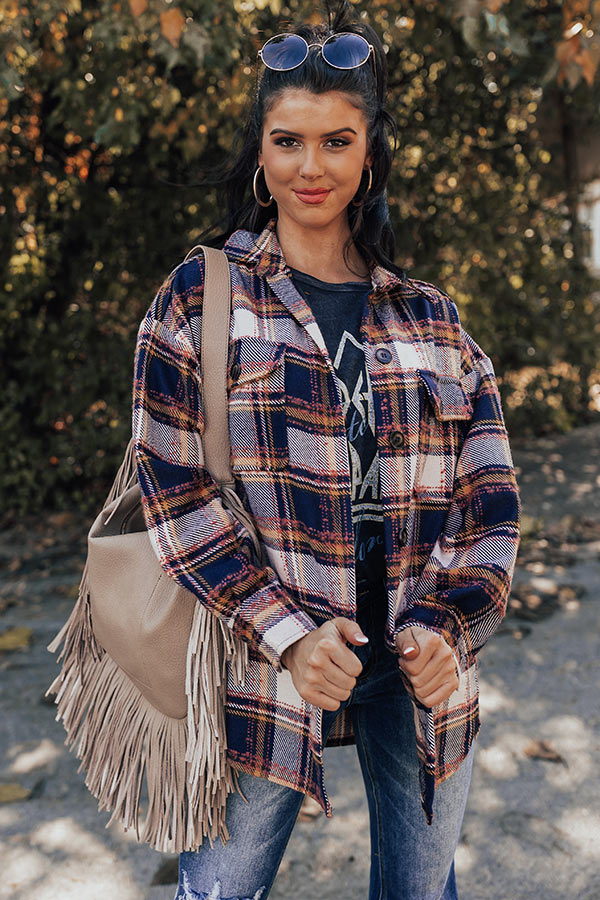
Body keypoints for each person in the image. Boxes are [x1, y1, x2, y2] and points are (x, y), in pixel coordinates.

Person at [132, 2, 521, 898]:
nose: (313, 166)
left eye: (337, 141)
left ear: (370, 154)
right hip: (267, 665)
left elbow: (490, 496)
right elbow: (176, 495)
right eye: (289, 141)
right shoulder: (200, 300)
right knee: (220, 890)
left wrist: (450, 625)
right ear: (261, 157)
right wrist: (287, 635)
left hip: (419, 662)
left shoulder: (429, 315)